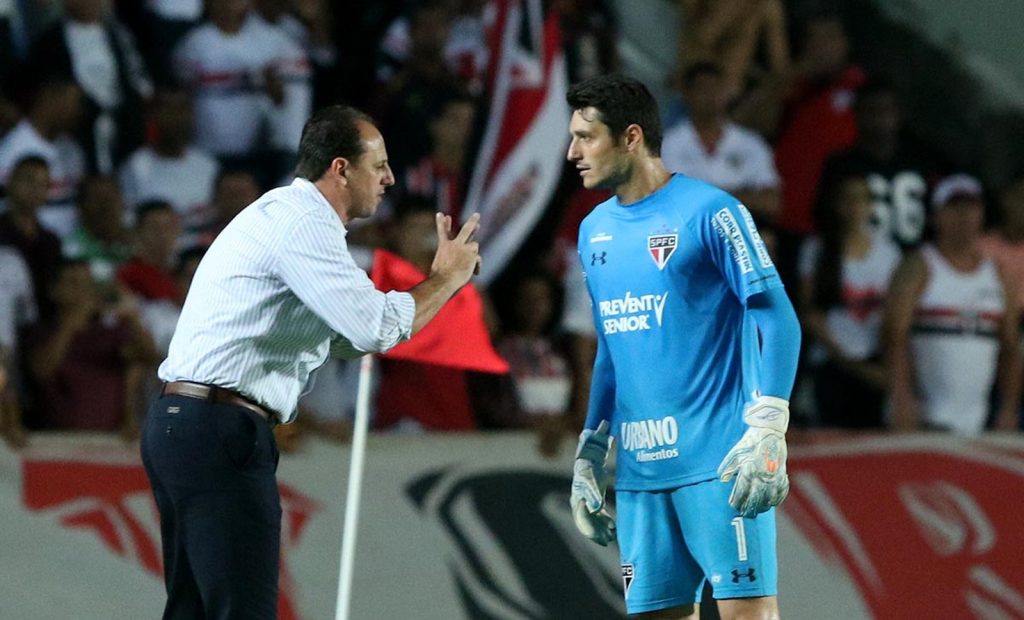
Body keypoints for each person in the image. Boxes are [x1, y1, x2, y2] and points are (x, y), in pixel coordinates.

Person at [140, 104, 481, 619]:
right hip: (219, 430)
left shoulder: (283, 216)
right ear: (340, 169)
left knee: (193, 611)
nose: (389, 178)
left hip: (185, 424)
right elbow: (375, 327)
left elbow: (346, 337)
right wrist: (447, 278)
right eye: (378, 165)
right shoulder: (304, 225)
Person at [564, 75, 800, 619]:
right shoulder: (593, 229)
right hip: (641, 474)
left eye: (586, 136)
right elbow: (611, 347)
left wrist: (769, 423)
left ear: (630, 137)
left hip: (718, 462)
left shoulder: (712, 212)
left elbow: (777, 316)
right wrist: (592, 449)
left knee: (749, 614)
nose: (572, 152)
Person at [884, 174, 1021, 434]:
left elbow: (1010, 347)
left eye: (972, 208)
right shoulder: (919, 266)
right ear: (936, 215)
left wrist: (1008, 409)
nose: (965, 217)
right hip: (924, 417)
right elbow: (894, 336)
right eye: (955, 208)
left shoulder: (998, 275)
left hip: (979, 421)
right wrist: (902, 397)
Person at [797, 174, 900, 428]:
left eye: (860, 200)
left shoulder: (888, 253)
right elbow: (809, 312)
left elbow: (894, 316)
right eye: (847, 200)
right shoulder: (816, 250)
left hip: (875, 366)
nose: (854, 207)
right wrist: (848, 361)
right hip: (831, 365)